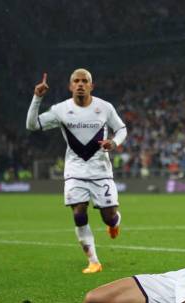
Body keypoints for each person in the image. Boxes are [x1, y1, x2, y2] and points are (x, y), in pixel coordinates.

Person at [26, 69, 128, 274]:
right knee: (79, 213)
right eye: (76, 81)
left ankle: (114, 222)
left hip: (101, 172)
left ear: (91, 86)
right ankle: (94, 261)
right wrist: (37, 97)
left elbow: (122, 129)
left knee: (108, 216)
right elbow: (32, 125)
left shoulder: (104, 107)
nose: (80, 84)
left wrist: (114, 143)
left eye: (84, 81)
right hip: (75, 172)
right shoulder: (61, 109)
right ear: (70, 86)